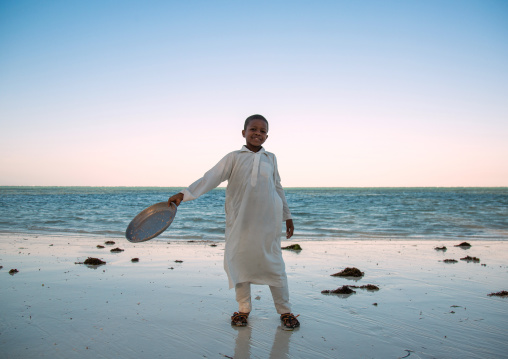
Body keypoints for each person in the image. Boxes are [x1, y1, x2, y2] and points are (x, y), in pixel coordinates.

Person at [167, 114, 300, 330]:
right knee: (239, 263)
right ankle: (243, 309)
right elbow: (211, 177)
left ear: (267, 136)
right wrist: (184, 194)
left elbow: (278, 187)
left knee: (275, 265)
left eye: (262, 131)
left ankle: (285, 311)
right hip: (240, 222)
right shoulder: (234, 157)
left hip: (268, 222)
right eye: (253, 129)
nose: (258, 133)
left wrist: (287, 216)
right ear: (243, 132)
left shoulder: (271, 158)